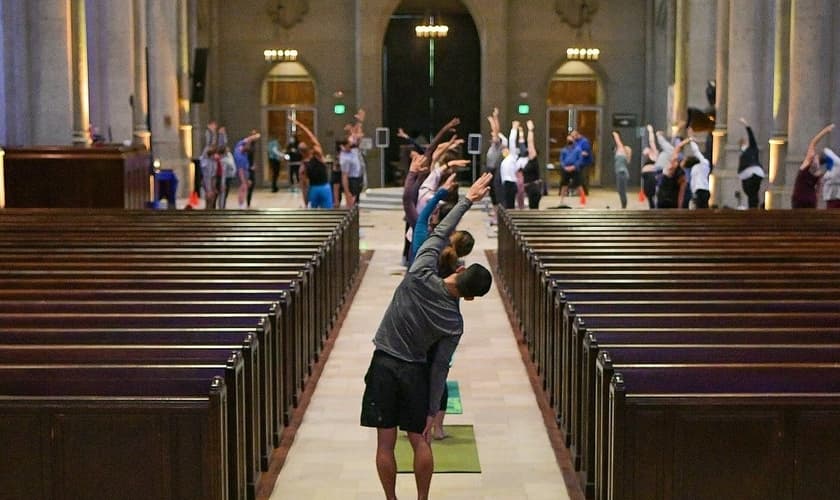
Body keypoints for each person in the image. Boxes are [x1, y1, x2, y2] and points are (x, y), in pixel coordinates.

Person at [360, 172, 494, 500]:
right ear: (471, 297)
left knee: (385, 443)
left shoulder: (420, 271)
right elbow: (440, 369)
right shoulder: (454, 322)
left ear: (461, 270)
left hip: (384, 364)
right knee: (420, 439)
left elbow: (436, 228)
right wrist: (433, 409)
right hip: (416, 373)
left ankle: (391, 499)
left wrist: (467, 199)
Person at [792, 124, 834, 208]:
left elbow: (818, 189)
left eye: (816, 157)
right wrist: (825, 130)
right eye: (815, 156)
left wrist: (816, 200)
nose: (814, 156)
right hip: (799, 198)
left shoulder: (818, 172)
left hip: (809, 200)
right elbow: (813, 142)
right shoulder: (807, 164)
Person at [293, 119, 332, 209]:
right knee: (328, 213)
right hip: (325, 187)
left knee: (313, 213)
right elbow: (312, 137)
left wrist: (306, 202)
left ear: (300, 152)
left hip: (314, 189)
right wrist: (300, 125)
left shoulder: (303, 166)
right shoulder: (319, 157)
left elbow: (304, 186)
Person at [737, 118, 766, 208]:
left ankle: (753, 208)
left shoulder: (752, 148)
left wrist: (747, 126)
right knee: (752, 194)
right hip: (749, 174)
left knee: (752, 193)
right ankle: (753, 207)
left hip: (754, 172)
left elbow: (752, 137)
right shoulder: (743, 154)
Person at [657, 137, 692, 209]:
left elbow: (681, 195)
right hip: (667, 199)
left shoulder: (678, 173)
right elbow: (681, 195)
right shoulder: (680, 174)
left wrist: (688, 140)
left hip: (668, 199)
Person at [233, 131, 260, 209]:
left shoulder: (244, 152)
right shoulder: (238, 151)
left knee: (246, 185)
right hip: (241, 170)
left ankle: (243, 202)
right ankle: (241, 203)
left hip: (245, 169)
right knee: (243, 186)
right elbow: (247, 140)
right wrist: (255, 136)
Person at [685, 136, 711, 209]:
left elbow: (696, 152)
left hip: (702, 190)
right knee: (698, 209)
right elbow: (693, 182)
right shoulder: (694, 168)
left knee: (702, 209)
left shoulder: (704, 163)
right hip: (698, 190)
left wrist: (692, 142)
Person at [522, 120, 543, 209]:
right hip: (530, 189)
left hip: (534, 188)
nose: (529, 150)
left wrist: (530, 130)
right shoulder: (530, 161)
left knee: (533, 209)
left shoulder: (533, 160)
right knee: (532, 208)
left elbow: (530, 142)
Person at [611, 131, 632, 209]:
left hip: (621, 173)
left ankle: (624, 206)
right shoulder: (625, 156)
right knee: (621, 191)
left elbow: (619, 143)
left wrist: (615, 134)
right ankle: (623, 205)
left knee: (621, 191)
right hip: (621, 173)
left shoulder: (622, 152)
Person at [558, 134, 582, 200]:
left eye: (570, 140)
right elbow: (561, 159)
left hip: (575, 169)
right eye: (568, 140)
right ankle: (562, 200)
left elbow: (580, 159)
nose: (569, 141)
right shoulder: (563, 150)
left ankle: (583, 201)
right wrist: (564, 167)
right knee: (564, 184)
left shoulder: (578, 149)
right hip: (566, 168)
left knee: (579, 185)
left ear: (574, 140)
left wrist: (574, 167)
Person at [572, 129, 593, 195]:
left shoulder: (584, 142)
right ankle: (580, 191)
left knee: (584, 177)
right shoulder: (576, 141)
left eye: (573, 136)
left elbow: (586, 153)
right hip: (579, 163)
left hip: (585, 163)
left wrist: (577, 153)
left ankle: (585, 192)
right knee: (579, 177)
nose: (572, 138)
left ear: (577, 135)